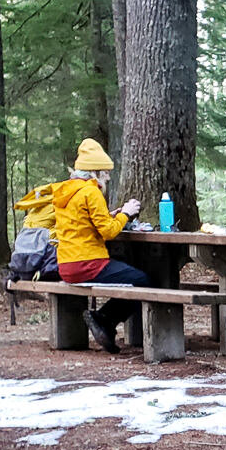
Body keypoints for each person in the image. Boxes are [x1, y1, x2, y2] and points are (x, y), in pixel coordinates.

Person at [52, 138, 146, 353]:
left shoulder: (65, 191)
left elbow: (84, 223)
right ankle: (104, 319)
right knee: (142, 281)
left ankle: (104, 321)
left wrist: (112, 215)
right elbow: (108, 232)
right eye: (105, 172)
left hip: (66, 265)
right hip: (88, 263)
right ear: (95, 173)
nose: (108, 177)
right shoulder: (91, 192)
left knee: (131, 276)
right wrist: (125, 214)